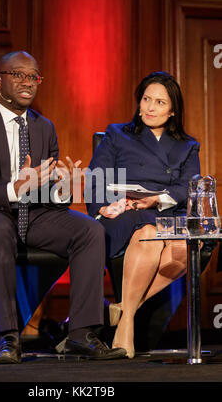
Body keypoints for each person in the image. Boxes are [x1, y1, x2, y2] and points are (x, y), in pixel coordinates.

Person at [0, 51, 126, 363]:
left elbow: (44, 196)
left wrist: (63, 187)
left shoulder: (43, 127)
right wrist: (14, 188)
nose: (27, 82)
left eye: (33, 76)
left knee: (89, 230)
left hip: (31, 215)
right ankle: (7, 338)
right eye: (17, 74)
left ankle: (81, 334)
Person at [86, 71, 200, 358]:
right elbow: (95, 178)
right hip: (123, 213)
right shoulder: (117, 134)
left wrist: (156, 200)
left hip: (162, 211)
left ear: (172, 110)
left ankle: (123, 311)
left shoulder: (188, 146)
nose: (150, 108)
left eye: (159, 102)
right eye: (146, 100)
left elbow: (187, 188)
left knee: (186, 246)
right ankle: (126, 328)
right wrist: (103, 206)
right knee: (150, 235)